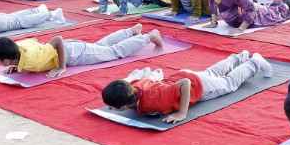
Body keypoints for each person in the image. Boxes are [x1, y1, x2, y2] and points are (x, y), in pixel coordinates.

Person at [101, 50, 271, 124]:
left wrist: (182, 112)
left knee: (228, 84)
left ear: (123, 107)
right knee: (212, 72)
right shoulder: (134, 87)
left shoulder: (156, 101)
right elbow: (145, 78)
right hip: (182, 74)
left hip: (196, 85)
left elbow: (185, 84)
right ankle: (238, 58)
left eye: (111, 107)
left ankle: (253, 62)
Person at [0, 24, 163, 79]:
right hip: (73, 48)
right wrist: (17, 65)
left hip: (73, 54)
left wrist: (62, 66)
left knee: (113, 52)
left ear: (5, 61)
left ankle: (149, 36)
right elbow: (34, 43)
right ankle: (131, 32)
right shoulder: (19, 50)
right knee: (100, 46)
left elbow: (57, 39)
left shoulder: (31, 59)